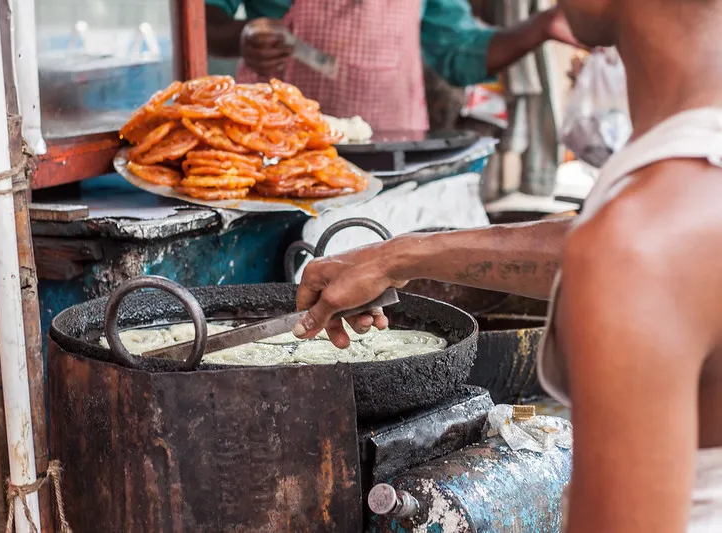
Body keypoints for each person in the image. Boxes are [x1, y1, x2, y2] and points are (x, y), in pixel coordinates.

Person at [292, 0, 722, 530]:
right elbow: (627, 247)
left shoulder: (638, 247)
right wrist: (399, 255)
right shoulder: (684, 190)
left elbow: (635, 254)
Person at [205, 0, 580, 132]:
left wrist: (541, 26)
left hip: (390, 162)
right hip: (278, 152)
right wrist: (243, 35)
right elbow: (201, 20)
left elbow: (460, 52)